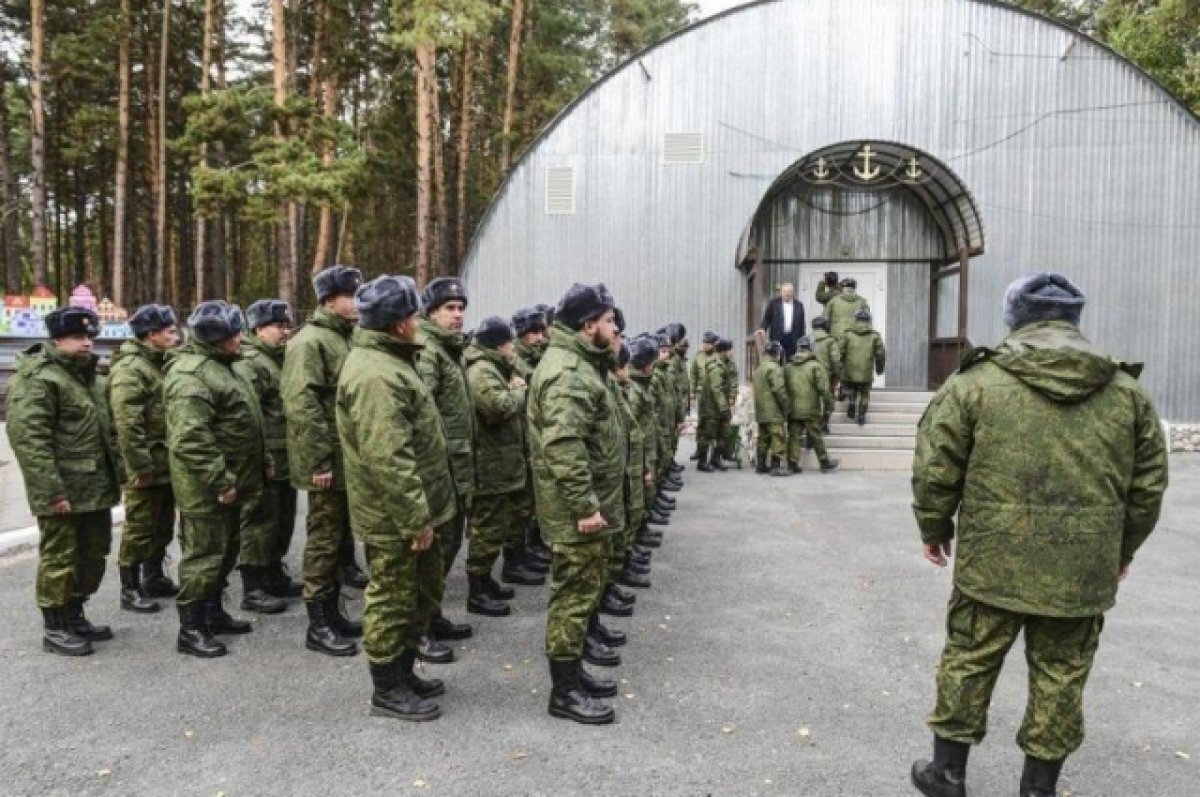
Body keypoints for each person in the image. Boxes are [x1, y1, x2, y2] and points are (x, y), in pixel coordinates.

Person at [909, 272, 1168, 797]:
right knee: (1062, 673)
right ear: (1074, 320)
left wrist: (934, 529)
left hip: (991, 564)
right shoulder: (1126, 394)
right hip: (1080, 570)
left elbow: (935, 468)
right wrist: (1122, 550)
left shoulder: (974, 384)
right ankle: (1037, 790)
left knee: (970, 657)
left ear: (1014, 318)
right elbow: (1148, 487)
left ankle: (947, 775)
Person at [336, 275, 451, 722]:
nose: (418, 322)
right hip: (394, 516)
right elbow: (389, 458)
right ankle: (386, 689)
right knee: (391, 598)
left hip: (409, 509)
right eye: (413, 315)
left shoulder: (389, 361)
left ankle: (402, 674)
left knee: (417, 595)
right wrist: (415, 519)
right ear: (398, 324)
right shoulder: (376, 375)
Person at [528, 283, 626, 725]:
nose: (615, 327)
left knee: (583, 592)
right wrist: (586, 507)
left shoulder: (583, 364)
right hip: (576, 514)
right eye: (608, 320)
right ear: (588, 327)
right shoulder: (569, 374)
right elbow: (565, 448)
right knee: (571, 596)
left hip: (588, 507)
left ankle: (574, 674)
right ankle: (563, 693)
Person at [6, 307, 120, 656]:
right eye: (77, 337)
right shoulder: (40, 379)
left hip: (95, 486)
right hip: (63, 490)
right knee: (60, 557)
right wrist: (51, 491)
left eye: (89, 337)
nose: (87, 343)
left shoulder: (90, 378)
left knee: (93, 554)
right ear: (56, 340)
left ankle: (74, 612)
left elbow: (108, 433)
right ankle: (55, 626)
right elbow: (30, 439)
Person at [165, 301, 268, 658]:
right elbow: (191, 439)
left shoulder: (227, 367)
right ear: (215, 337)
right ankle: (191, 629)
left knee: (225, 551)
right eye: (233, 333)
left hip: (234, 480)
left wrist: (262, 460)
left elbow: (248, 421)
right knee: (204, 556)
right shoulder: (192, 375)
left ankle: (213, 611)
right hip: (207, 488)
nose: (240, 338)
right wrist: (220, 481)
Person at [281, 265, 363, 657]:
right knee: (324, 540)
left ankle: (333, 612)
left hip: (347, 459)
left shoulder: (345, 338)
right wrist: (318, 462)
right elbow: (302, 406)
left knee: (340, 537)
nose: (357, 301)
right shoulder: (310, 342)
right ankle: (318, 623)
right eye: (351, 294)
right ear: (330, 300)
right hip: (328, 462)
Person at [108, 304, 180, 614]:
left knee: (162, 524)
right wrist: (139, 467)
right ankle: (130, 587)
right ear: (152, 335)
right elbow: (127, 424)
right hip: (146, 466)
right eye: (170, 331)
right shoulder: (130, 370)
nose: (177, 336)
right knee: (139, 527)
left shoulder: (160, 363)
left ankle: (154, 576)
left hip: (166, 462)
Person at [463, 316, 530, 618]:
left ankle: (486, 580)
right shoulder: (481, 370)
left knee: (496, 526)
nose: (512, 348)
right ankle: (476, 591)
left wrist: (512, 386)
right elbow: (497, 407)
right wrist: (518, 390)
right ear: (499, 344)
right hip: (489, 466)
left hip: (500, 463)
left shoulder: (494, 368)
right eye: (509, 343)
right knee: (486, 528)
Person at [236, 299, 298, 614]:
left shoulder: (278, 360)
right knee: (259, 521)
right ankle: (253, 586)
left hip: (284, 454)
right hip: (266, 458)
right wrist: (261, 460)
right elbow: (249, 417)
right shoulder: (252, 362)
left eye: (288, 325)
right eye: (278, 326)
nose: (285, 332)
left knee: (282, 518)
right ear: (258, 329)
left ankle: (273, 573)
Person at [783, 337, 839, 474]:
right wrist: (829, 404)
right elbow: (823, 389)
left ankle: (792, 464)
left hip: (793, 409)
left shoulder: (788, 367)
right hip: (811, 409)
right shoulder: (815, 366)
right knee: (816, 436)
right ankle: (824, 462)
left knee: (794, 436)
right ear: (810, 349)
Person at [841, 308, 886, 425]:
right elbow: (880, 354)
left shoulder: (847, 334)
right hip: (866, 371)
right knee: (864, 393)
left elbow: (840, 351)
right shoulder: (875, 336)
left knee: (850, 388)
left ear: (856, 320)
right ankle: (861, 415)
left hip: (849, 370)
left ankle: (851, 402)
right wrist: (879, 369)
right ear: (868, 321)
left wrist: (839, 367)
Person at [694, 334, 729, 473]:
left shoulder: (719, 364)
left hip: (714, 407)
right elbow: (716, 389)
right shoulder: (716, 367)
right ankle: (702, 462)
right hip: (712, 408)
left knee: (722, 433)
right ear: (723, 351)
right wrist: (723, 408)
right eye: (728, 351)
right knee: (707, 434)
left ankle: (715, 459)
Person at [752, 341, 788, 475]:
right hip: (773, 410)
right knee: (777, 437)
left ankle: (760, 465)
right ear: (777, 353)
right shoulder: (774, 368)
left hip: (761, 411)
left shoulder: (759, 368)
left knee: (763, 439)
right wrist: (786, 405)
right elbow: (779, 389)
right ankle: (775, 467)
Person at [810, 316, 842, 432]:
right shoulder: (830, 341)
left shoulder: (806, 339)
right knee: (828, 400)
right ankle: (824, 422)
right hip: (826, 376)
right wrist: (838, 375)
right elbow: (835, 360)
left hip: (807, 375)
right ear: (825, 327)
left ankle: (811, 427)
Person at [759, 282, 806, 357]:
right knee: (777, 360)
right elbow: (767, 318)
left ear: (793, 293)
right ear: (781, 292)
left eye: (789, 292)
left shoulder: (799, 305)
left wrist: (802, 340)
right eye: (785, 292)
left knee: (791, 360)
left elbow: (802, 324)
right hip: (777, 337)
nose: (787, 294)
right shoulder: (773, 303)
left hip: (793, 338)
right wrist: (762, 329)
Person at [825, 277, 869, 344]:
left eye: (850, 287)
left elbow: (825, 320)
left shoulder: (833, 301)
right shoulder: (862, 301)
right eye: (848, 287)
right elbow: (868, 321)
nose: (849, 289)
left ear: (842, 288)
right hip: (855, 339)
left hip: (837, 338)